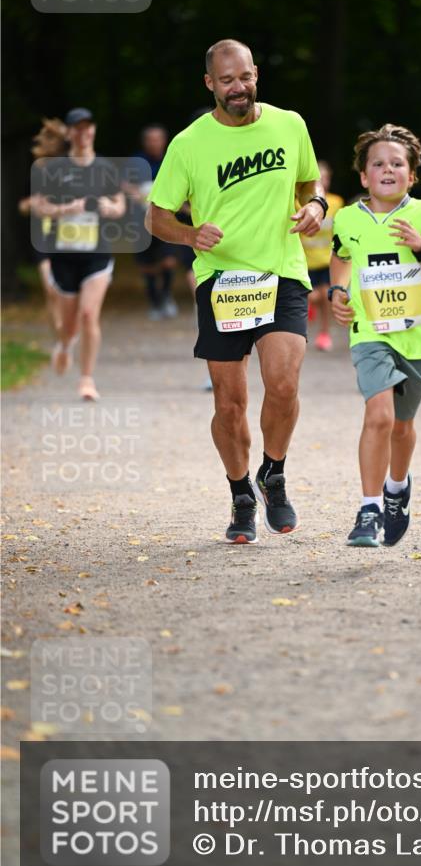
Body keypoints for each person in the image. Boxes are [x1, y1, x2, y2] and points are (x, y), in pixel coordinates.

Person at [146, 39, 326, 543]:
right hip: (221, 280)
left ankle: (275, 472)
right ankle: (241, 493)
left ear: (255, 75)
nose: (238, 88)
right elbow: (156, 217)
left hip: (282, 271)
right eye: (226, 81)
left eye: (244, 77)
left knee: (284, 382)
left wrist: (316, 208)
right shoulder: (188, 144)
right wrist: (189, 235)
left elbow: (310, 185)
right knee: (229, 403)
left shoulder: (291, 125)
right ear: (210, 84)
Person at [329, 124, 421, 546]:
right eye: (378, 164)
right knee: (379, 416)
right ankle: (369, 510)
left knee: (402, 427)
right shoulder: (348, 218)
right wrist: (338, 290)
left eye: (397, 163)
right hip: (369, 333)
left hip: (419, 340)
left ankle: (397, 488)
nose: (387, 169)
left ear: (411, 175)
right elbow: (340, 257)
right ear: (363, 176)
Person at [30, 107, 126, 401]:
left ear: (93, 131)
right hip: (65, 255)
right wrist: (67, 209)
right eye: (77, 128)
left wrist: (109, 209)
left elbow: (119, 205)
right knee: (69, 324)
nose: (83, 133)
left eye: (88, 127)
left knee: (88, 314)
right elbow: (40, 206)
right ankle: (63, 345)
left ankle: (86, 379)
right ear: (70, 133)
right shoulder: (55, 169)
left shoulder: (106, 168)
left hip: (96, 254)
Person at [18, 117, 69, 338]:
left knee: (65, 291)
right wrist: (32, 204)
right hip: (42, 237)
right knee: (51, 290)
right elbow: (22, 206)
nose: (45, 142)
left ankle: (67, 332)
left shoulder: (73, 167)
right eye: (45, 137)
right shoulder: (36, 169)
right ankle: (60, 335)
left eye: (52, 138)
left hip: (68, 236)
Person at [125, 124, 180, 319]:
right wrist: (134, 192)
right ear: (145, 142)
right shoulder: (135, 161)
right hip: (140, 221)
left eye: (158, 139)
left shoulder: (173, 158)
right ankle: (154, 302)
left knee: (169, 261)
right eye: (150, 139)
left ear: (164, 141)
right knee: (147, 265)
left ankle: (166, 296)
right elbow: (123, 184)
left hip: (167, 220)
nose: (154, 143)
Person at [299, 159, 344, 351]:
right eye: (319, 178)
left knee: (326, 297)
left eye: (325, 178)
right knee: (311, 297)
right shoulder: (299, 202)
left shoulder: (336, 202)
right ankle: (306, 325)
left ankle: (324, 333)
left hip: (326, 259)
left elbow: (340, 230)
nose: (322, 181)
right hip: (306, 260)